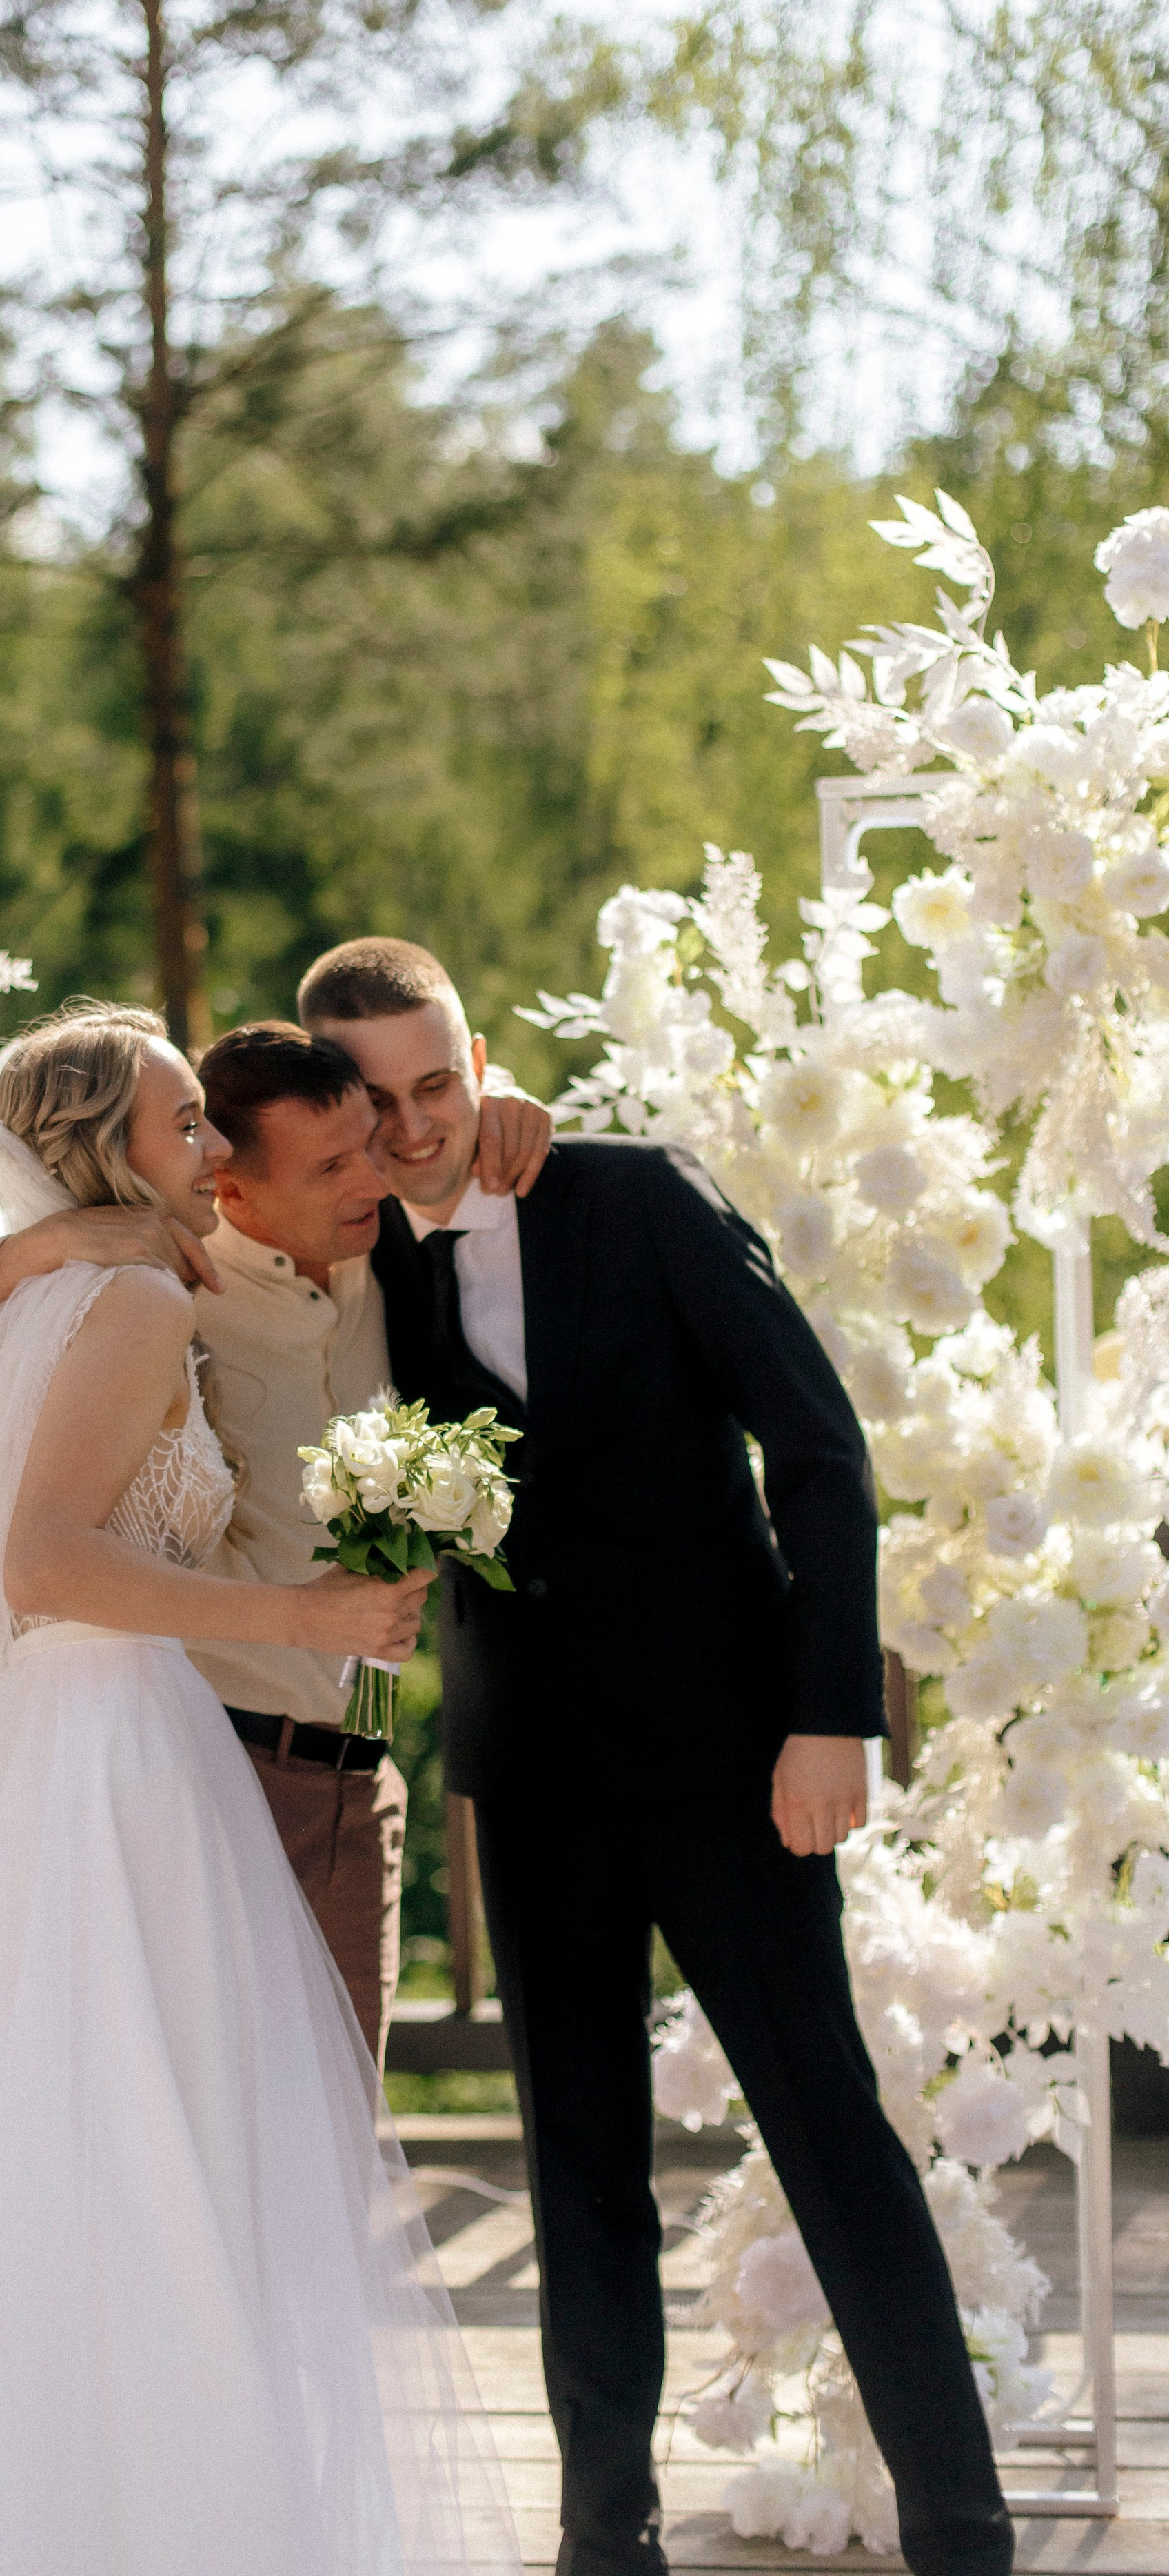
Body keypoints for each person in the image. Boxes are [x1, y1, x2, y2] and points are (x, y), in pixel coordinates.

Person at [0, 1000, 522, 2576]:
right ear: (109, 1164)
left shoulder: (122, 1292)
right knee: (166, 2174)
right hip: (129, 1765)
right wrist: (300, 1615)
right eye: (183, 1128)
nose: (212, 1156)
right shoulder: (126, 1300)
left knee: (133, 2170)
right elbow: (39, 1560)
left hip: (114, 1762)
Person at [296, 937, 1013, 2576]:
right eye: (380, 1102)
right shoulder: (357, 1274)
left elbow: (819, 1453)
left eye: (438, 1082)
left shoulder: (635, 1195)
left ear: (475, 1061)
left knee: (826, 2123)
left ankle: (959, 2523)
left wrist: (826, 1715)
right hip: (531, 1777)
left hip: (734, 1758)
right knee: (578, 2167)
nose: (415, 1126)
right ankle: (600, 2533)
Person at [0, 1020, 551, 2061]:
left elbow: (438, 1139)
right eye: (332, 1164)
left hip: (363, 1787)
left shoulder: (388, 1257)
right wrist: (44, 1242)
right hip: (219, 1770)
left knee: (326, 2147)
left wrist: (510, 1105)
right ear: (236, 1194)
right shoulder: (162, 1287)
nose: (374, 1175)